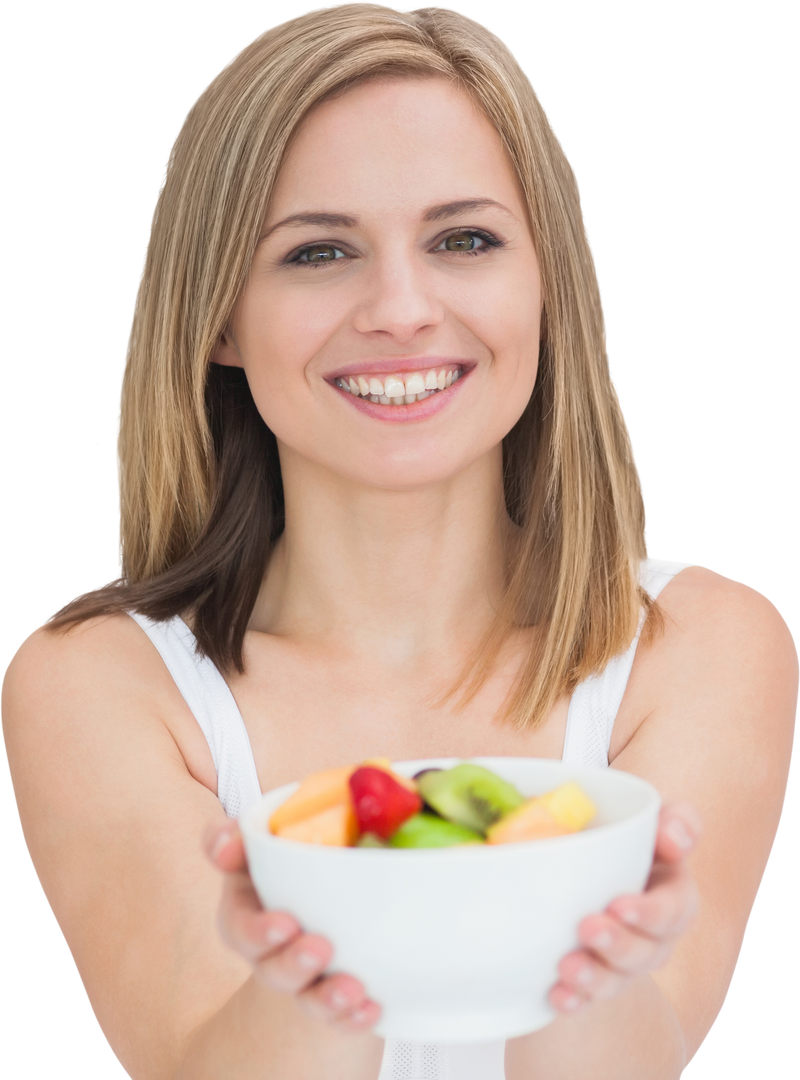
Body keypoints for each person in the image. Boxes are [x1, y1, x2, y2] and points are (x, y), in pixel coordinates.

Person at [1, 4, 796, 1078]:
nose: (400, 309)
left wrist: (597, 983)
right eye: (318, 251)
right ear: (219, 317)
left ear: (546, 284)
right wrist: (305, 996)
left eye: (462, 239)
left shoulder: (701, 646)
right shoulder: (95, 685)